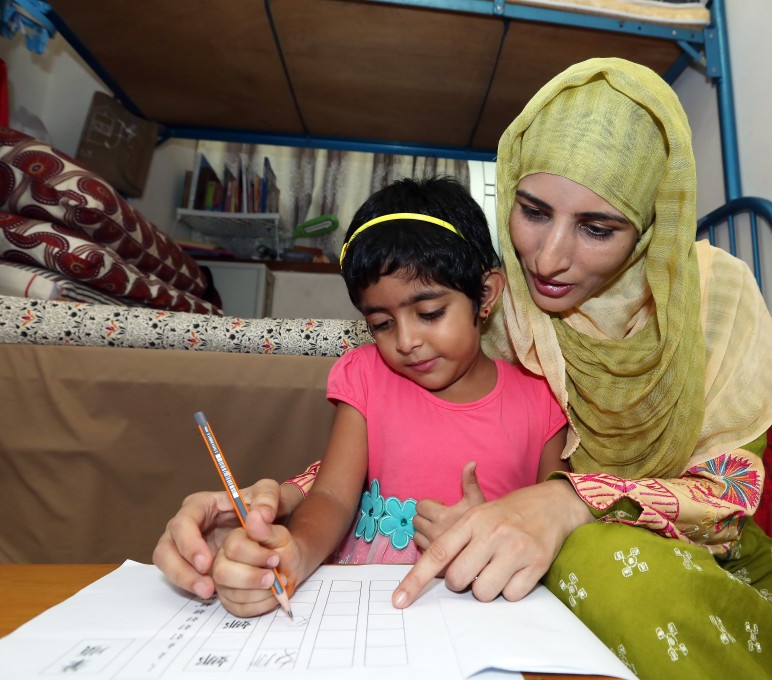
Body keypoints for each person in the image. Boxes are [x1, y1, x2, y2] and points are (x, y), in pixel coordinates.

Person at [155, 60, 772, 678]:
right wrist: (282, 505)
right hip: (559, 559)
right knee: (604, 571)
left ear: (653, 228)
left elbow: (729, 489)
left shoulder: (712, 302)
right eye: (531, 211)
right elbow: (409, 428)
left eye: (598, 229)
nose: (551, 259)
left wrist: (568, 500)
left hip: (694, 540)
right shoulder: (499, 303)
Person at [205, 177, 568, 616]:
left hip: (488, 605)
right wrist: (296, 552)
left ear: (485, 295)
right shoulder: (365, 377)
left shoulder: (541, 398)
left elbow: (556, 517)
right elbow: (333, 497)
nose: (406, 340)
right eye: (381, 323)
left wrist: (493, 523)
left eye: (430, 313)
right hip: (365, 602)